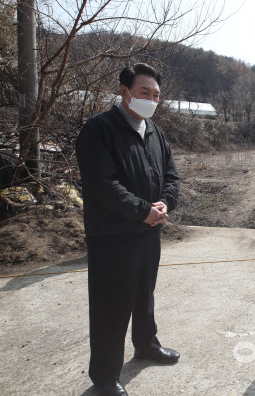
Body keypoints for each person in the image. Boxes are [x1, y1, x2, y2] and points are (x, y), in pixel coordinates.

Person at [76, 63, 180, 396]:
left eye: (156, 95)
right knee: (111, 305)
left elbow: (172, 176)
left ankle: (146, 344)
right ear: (125, 92)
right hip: (113, 236)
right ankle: (105, 377)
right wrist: (141, 211)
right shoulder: (99, 130)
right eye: (144, 92)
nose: (151, 99)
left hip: (149, 233)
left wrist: (165, 202)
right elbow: (101, 184)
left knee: (143, 295)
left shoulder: (154, 132)